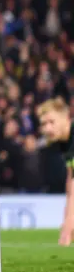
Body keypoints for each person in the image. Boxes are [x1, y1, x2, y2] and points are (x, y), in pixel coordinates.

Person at [37, 97, 74, 246]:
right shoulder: (63, 143)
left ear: (66, 118)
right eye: (44, 124)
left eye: (51, 122)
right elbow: (70, 179)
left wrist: (69, 223)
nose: (47, 128)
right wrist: (67, 219)